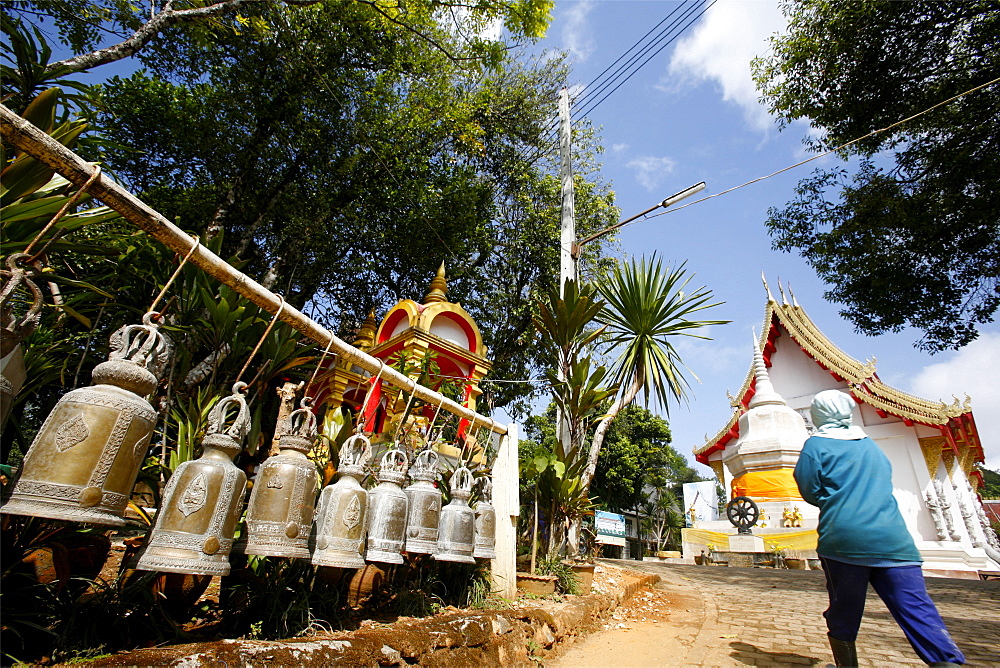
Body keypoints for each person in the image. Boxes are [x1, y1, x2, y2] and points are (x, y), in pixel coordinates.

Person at [793, 390, 964, 667]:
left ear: (818, 414)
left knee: (844, 609)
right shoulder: (870, 444)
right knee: (917, 609)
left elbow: (809, 488)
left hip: (844, 538)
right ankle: (947, 661)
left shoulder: (816, 446)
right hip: (894, 539)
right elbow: (883, 479)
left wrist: (836, 502)